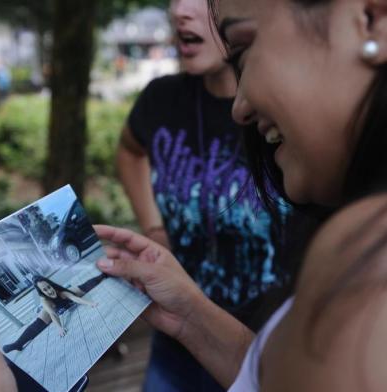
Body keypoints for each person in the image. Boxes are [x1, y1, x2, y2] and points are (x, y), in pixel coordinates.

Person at [92, 0, 387, 390]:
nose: (240, 108)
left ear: (371, 20)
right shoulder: (162, 98)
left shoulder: (363, 256)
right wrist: (192, 314)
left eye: (243, 49)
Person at [117, 0, 290, 390]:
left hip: (267, 349)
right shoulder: (161, 99)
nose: (180, 10)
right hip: (175, 336)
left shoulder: (289, 111)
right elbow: (129, 151)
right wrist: (153, 225)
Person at [2, 273, 105, 353]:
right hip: (53, 307)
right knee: (40, 320)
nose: (49, 291)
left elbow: (74, 298)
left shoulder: (61, 292)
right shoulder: (45, 301)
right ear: (42, 292)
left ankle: (103, 275)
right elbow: (53, 315)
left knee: (82, 288)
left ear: (51, 285)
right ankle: (18, 344)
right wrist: (59, 327)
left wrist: (89, 303)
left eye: (49, 287)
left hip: (65, 298)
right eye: (45, 290)